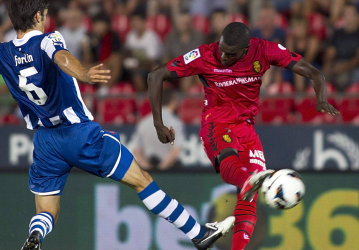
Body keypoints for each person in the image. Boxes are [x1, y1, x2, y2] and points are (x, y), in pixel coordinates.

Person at [0, 1, 234, 249]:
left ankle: (36, 235)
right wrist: (85, 73)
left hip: (45, 142)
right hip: (79, 135)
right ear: (37, 16)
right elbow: (62, 58)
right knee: (142, 181)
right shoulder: (47, 40)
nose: (46, 18)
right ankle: (197, 233)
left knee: (47, 211)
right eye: (44, 14)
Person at [147, 22, 339, 250]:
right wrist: (158, 123)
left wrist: (320, 97)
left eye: (230, 54)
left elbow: (313, 72)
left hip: (247, 129)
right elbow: (155, 75)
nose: (223, 56)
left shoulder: (265, 50)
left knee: (249, 198)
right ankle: (246, 180)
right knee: (234, 164)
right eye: (222, 49)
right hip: (216, 123)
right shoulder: (204, 55)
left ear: (246, 50)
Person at [133, 88, 185, 171]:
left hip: (149, 169)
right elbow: (176, 150)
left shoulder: (144, 122)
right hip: (169, 171)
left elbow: (136, 150)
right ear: (173, 101)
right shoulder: (175, 123)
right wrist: (161, 169)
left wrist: (148, 169)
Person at [323, 3, 359, 92]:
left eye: (350, 14)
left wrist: (342, 67)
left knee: (342, 79)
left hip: (352, 66)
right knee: (321, 76)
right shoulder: (337, 33)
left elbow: (357, 59)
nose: (348, 17)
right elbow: (331, 52)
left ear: (357, 16)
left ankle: (342, 103)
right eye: (345, 14)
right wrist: (328, 64)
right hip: (337, 63)